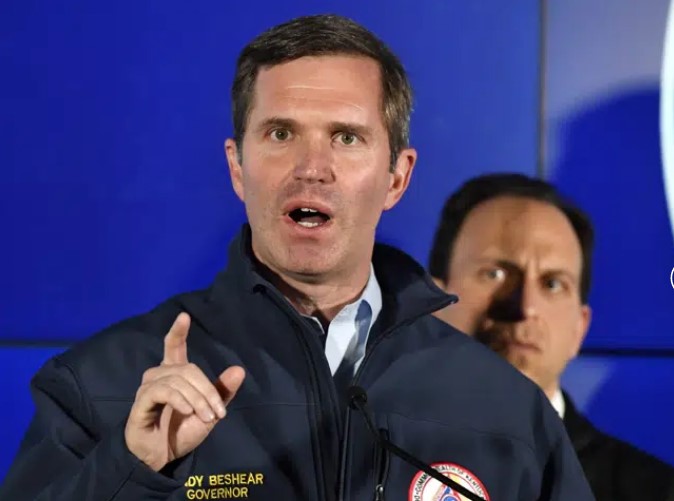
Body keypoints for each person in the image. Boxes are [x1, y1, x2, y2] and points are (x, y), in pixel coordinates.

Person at [1, 16, 593, 500]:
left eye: (346, 137)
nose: (312, 168)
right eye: (281, 134)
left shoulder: (507, 411)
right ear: (238, 167)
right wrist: (133, 469)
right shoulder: (102, 387)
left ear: (397, 177)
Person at [428, 172, 674, 501]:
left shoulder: (655, 493)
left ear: (579, 329)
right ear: (433, 302)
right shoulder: (367, 456)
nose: (526, 307)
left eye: (553, 284)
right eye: (495, 273)